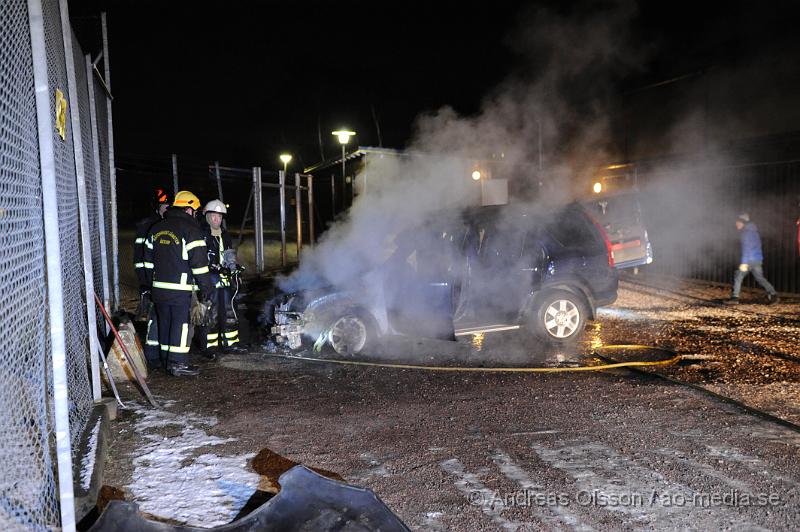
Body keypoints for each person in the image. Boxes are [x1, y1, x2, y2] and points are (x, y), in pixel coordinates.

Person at [143, 190, 214, 376]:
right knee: (181, 326)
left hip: (158, 289)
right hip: (180, 290)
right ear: (189, 209)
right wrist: (206, 289)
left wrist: (153, 282)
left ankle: (167, 360)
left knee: (165, 323)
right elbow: (199, 265)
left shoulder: (157, 228)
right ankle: (178, 363)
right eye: (196, 211)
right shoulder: (191, 231)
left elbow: (147, 262)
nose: (196, 215)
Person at [199, 199, 246, 355]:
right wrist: (213, 268)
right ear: (207, 217)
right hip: (210, 282)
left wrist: (234, 267)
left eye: (219, 217)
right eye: (213, 216)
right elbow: (199, 259)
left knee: (229, 311)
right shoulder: (201, 235)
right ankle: (210, 347)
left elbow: (229, 255)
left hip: (225, 282)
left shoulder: (225, 235)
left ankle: (231, 344)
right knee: (211, 314)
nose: (216, 220)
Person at [134, 188, 170, 367]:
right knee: (154, 317)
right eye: (165, 205)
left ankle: (160, 353)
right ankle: (152, 355)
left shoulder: (167, 224)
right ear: (157, 206)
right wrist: (145, 282)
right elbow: (140, 258)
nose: (167, 208)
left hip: (165, 281)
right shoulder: (148, 225)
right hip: (152, 281)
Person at [725, 213, 779, 305]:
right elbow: (757, 246)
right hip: (757, 259)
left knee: (738, 276)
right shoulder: (754, 232)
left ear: (743, 223)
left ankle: (735, 298)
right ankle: (773, 294)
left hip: (749, 260)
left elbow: (747, 248)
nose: (736, 224)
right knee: (760, 278)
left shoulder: (745, 233)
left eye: (738, 223)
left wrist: (744, 263)